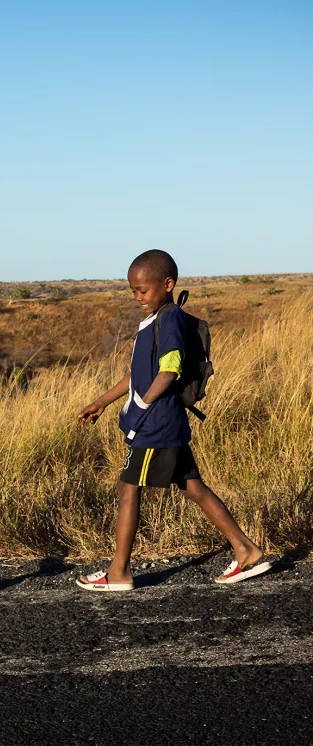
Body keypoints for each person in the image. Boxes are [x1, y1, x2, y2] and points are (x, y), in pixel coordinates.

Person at [76, 249, 270, 590]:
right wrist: (101, 402)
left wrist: (142, 406)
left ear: (167, 284)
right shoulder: (156, 319)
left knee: (128, 489)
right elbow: (137, 375)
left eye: (143, 290)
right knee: (193, 486)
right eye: (133, 290)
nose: (137, 296)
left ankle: (119, 572)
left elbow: (169, 371)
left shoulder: (169, 320)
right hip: (166, 422)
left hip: (155, 426)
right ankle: (246, 550)